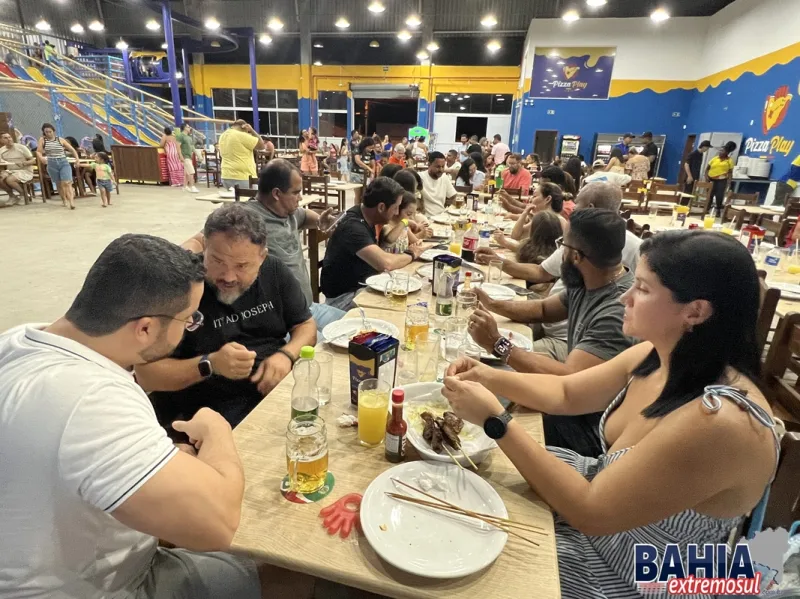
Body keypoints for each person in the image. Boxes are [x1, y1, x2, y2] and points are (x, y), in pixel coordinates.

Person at [443, 230, 778, 598]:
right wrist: (487, 374)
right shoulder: (657, 355)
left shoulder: (723, 422)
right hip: (592, 511)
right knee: (453, 484)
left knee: (459, 570)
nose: (625, 297)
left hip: (626, 573)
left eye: (643, 289)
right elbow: (567, 392)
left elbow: (592, 513)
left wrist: (496, 421)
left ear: (695, 311)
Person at [0, 234, 272, 598]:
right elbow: (218, 525)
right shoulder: (90, 400)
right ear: (144, 328)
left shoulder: (20, 340)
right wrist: (216, 428)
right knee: (250, 564)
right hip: (96, 587)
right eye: (189, 320)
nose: (190, 328)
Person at [468, 208, 634, 456]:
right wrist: (493, 304)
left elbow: (569, 380)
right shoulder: (591, 278)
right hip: (570, 401)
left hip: (588, 429)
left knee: (482, 415)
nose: (561, 252)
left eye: (563, 245)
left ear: (576, 255)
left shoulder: (616, 310)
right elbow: (545, 310)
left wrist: (497, 344)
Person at [138, 204, 317, 429]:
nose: (229, 276)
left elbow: (305, 324)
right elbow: (145, 375)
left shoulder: (273, 270)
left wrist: (286, 355)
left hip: (273, 393)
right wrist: (209, 364)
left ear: (262, 257)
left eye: (242, 266)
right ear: (205, 248)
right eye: (217, 261)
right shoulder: (182, 287)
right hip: (208, 411)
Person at [183, 159, 345, 332]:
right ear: (277, 194)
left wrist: (319, 221)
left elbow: (304, 216)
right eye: (296, 192)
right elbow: (201, 240)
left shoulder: (288, 213)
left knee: (357, 327)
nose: (300, 197)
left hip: (308, 308)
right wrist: (180, 261)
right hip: (280, 318)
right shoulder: (247, 219)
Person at [476, 182, 642, 295]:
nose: (573, 209)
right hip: (554, 316)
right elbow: (542, 272)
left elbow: (638, 292)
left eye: (577, 204)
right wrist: (497, 260)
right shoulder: (578, 235)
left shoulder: (633, 247)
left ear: (590, 208)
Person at [320, 177, 424, 309]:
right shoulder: (353, 227)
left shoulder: (365, 215)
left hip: (362, 286)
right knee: (403, 306)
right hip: (344, 298)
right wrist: (412, 253)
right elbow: (386, 263)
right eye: (396, 208)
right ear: (381, 207)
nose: (397, 213)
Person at [37, 122, 80, 209]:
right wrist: (41, 158)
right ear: (44, 132)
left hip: (63, 162)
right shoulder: (42, 140)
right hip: (52, 163)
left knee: (67, 182)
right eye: (46, 132)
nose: (48, 133)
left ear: (53, 131)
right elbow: (38, 151)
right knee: (59, 183)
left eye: (50, 131)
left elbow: (72, 149)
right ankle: (64, 200)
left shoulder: (60, 140)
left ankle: (71, 202)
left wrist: (77, 159)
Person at [219, 120, 265, 190]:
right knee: (251, 199)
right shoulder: (240, 135)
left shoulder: (223, 135)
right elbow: (261, 145)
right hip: (243, 176)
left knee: (232, 199)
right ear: (244, 127)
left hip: (226, 175)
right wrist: (252, 130)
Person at [0, 131, 35, 205]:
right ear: (1, 140)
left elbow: (33, 161)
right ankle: (12, 196)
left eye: (9, 137)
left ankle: (24, 195)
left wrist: (23, 163)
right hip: (10, 171)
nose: (9, 139)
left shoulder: (21, 147)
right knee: (0, 178)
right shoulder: (2, 150)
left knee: (10, 179)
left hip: (24, 171)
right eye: (5, 138)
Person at [419, 151, 458, 216]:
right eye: (438, 167)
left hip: (441, 216)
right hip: (425, 218)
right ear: (429, 165)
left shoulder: (444, 177)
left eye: (443, 167)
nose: (441, 170)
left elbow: (453, 196)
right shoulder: (420, 177)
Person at [706, 141, 737, 214]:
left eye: (722, 151)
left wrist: (729, 182)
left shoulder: (729, 161)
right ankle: (707, 209)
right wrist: (706, 177)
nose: (720, 152)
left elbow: (730, 172)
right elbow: (707, 169)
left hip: (722, 180)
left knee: (719, 195)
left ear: (726, 152)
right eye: (720, 150)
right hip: (711, 179)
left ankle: (718, 210)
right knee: (710, 194)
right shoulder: (714, 159)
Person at [175, 123, 199, 193]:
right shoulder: (180, 136)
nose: (189, 128)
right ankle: (192, 186)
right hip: (185, 156)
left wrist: (197, 154)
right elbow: (178, 147)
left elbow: (192, 147)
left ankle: (185, 186)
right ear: (184, 128)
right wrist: (181, 156)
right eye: (188, 127)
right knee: (191, 172)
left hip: (189, 156)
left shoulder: (188, 137)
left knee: (186, 173)